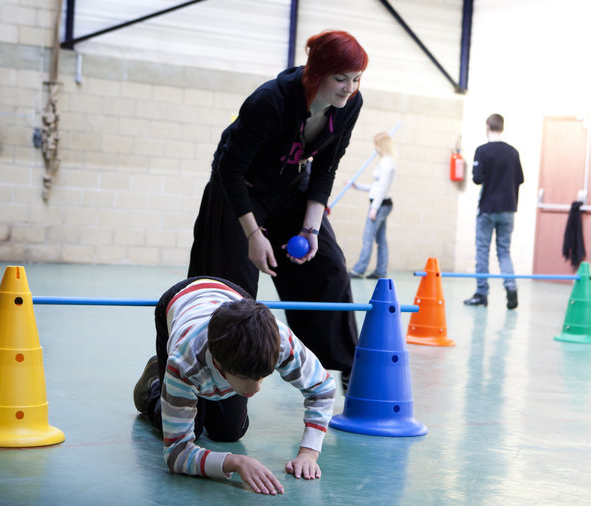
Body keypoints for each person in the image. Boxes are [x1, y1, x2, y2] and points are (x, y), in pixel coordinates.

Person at [188, 30, 368, 390]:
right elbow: (230, 170)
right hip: (238, 190)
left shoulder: (351, 105)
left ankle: (347, 366)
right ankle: (215, 374)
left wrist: (311, 230)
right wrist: (254, 235)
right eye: (341, 78)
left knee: (328, 267)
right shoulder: (269, 101)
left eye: (357, 78)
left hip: (290, 187)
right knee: (232, 289)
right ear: (317, 73)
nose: (350, 88)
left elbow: (326, 168)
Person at [132, 277, 337, 495]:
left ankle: (215, 389)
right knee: (192, 426)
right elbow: (176, 453)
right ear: (219, 363)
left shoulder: (279, 342)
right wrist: (235, 462)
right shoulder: (184, 362)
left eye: (262, 377)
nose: (256, 389)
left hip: (235, 301)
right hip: (177, 302)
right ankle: (155, 381)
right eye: (245, 377)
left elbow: (323, 388)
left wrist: (308, 453)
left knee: (230, 431)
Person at [464, 114, 525, 309]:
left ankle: (481, 293)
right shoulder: (513, 152)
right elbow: (520, 179)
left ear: (487, 127)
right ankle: (511, 286)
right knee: (503, 251)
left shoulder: (482, 151)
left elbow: (476, 178)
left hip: (488, 208)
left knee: (482, 251)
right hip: (508, 209)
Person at [347, 132, 397, 279]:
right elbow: (377, 186)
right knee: (381, 239)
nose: (375, 148)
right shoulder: (387, 161)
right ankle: (380, 271)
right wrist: (358, 186)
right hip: (382, 204)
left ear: (381, 145)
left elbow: (382, 188)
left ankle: (359, 270)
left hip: (380, 205)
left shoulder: (386, 162)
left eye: (376, 144)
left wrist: (374, 208)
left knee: (367, 237)